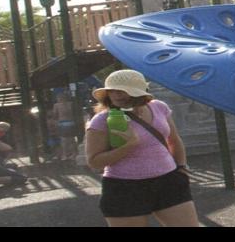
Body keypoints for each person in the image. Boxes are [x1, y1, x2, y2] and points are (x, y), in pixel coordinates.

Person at [85, 69, 199, 227]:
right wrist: (129, 145)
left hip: (168, 181)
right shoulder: (102, 120)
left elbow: (174, 140)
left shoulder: (159, 107)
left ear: (138, 93)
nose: (117, 95)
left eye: (123, 91)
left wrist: (181, 167)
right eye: (112, 90)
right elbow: (94, 162)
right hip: (124, 188)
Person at [52, 94, 82, 162]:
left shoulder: (56, 105)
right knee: (72, 139)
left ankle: (65, 154)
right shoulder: (70, 104)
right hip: (71, 123)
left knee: (64, 140)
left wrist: (56, 122)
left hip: (62, 123)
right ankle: (74, 153)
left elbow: (55, 115)